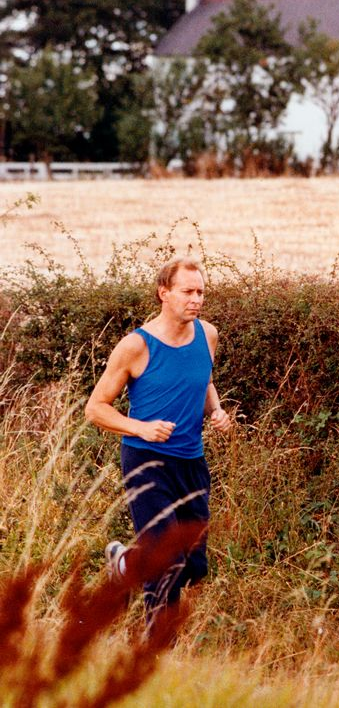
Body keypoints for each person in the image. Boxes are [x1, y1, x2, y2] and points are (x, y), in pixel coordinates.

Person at [85, 256, 231, 627]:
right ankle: (156, 649)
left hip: (191, 462)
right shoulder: (136, 346)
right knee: (167, 563)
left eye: (201, 292)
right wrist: (141, 428)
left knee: (194, 566)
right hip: (146, 460)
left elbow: (204, 381)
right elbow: (95, 408)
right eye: (188, 292)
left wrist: (216, 410)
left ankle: (125, 562)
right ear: (164, 293)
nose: (196, 299)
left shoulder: (207, 335)